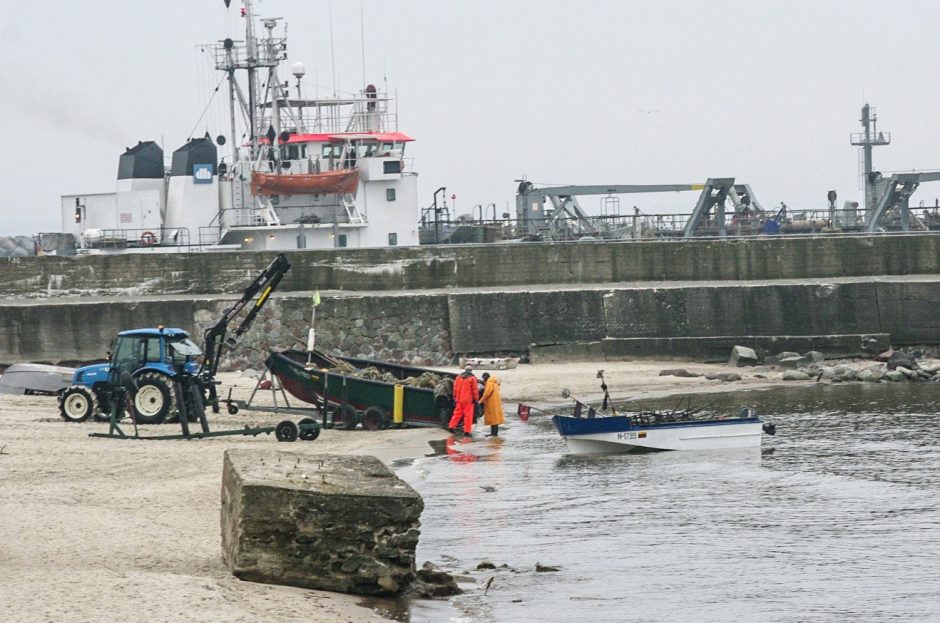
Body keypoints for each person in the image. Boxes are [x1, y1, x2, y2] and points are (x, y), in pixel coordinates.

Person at [448, 364, 480, 437]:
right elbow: (475, 390)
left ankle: (451, 426)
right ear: (471, 370)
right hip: (468, 400)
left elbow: (455, 389)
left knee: (457, 414)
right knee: (468, 416)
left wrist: (455, 397)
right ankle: (467, 431)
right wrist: (476, 400)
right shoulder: (472, 378)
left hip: (459, 399)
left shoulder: (458, 377)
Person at [480, 372, 505, 437]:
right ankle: (494, 433)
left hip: (491, 403)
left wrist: (481, 401)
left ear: (485, 377)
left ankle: (494, 434)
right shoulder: (494, 382)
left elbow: (487, 394)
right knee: (495, 419)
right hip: (496, 402)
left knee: (493, 420)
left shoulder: (489, 383)